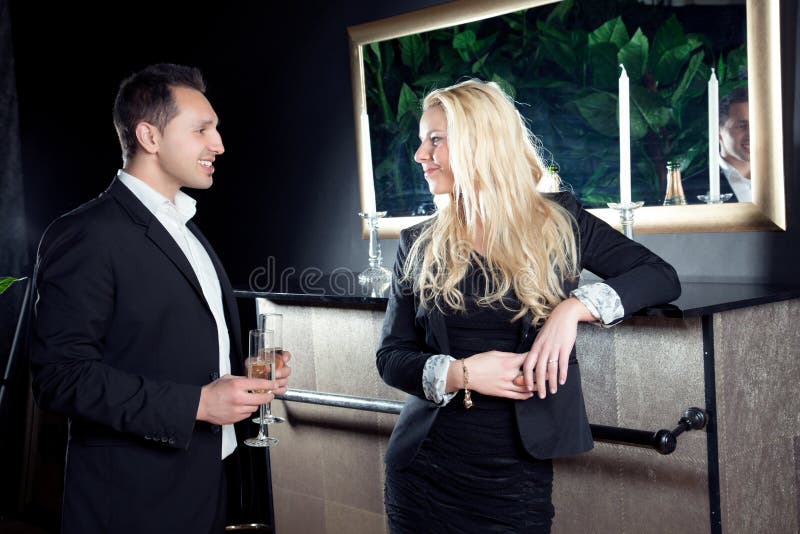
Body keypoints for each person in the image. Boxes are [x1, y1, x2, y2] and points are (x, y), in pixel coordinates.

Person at [376, 79, 681, 533]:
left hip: (515, 483)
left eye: (435, 140)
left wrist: (571, 310)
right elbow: (390, 357)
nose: (421, 154)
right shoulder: (416, 243)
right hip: (423, 474)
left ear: (481, 143)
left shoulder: (559, 220)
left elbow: (660, 276)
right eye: (422, 141)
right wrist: (463, 373)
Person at [30, 63, 291, 534]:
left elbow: (176, 346)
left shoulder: (186, 228)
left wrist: (237, 384)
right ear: (149, 136)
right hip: (132, 502)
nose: (219, 144)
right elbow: (60, 377)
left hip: (207, 485)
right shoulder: (85, 234)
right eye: (201, 130)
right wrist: (196, 404)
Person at [718, 86, 750, 202]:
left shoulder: (786, 179)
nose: (752, 134)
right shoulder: (691, 186)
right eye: (741, 126)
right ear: (718, 131)